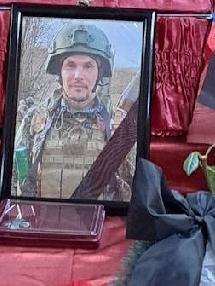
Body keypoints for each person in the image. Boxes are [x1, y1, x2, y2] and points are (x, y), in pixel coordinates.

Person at [15, 22, 133, 201]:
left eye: (88, 66)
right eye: (70, 65)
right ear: (59, 72)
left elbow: (133, 190)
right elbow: (14, 181)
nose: (78, 75)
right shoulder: (35, 120)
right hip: (43, 217)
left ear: (100, 73)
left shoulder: (119, 127)